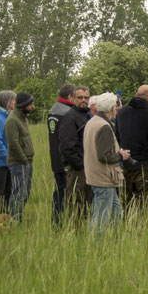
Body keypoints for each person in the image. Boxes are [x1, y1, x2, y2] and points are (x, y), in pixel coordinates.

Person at [84, 93, 129, 236]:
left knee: (117, 213)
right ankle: (96, 247)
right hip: (104, 178)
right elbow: (105, 156)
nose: (117, 108)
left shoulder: (93, 122)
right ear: (111, 108)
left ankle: (115, 242)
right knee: (101, 218)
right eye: (116, 106)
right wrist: (121, 155)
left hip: (97, 176)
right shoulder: (104, 126)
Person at [115, 85, 148, 209]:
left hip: (126, 161)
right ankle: (140, 226)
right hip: (146, 164)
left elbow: (117, 135)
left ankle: (125, 225)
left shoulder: (121, 112)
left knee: (126, 200)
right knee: (143, 201)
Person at [59, 86, 92, 220]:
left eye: (86, 97)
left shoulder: (87, 115)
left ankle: (85, 234)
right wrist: (79, 165)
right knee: (76, 203)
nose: (83, 100)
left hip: (88, 168)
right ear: (72, 99)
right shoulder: (70, 117)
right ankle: (75, 234)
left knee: (87, 203)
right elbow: (67, 146)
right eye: (80, 97)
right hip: (77, 169)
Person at [4, 92, 35, 223]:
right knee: (18, 194)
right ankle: (15, 222)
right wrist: (23, 160)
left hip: (26, 162)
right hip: (18, 163)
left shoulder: (23, 117)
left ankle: (16, 218)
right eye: (31, 104)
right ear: (23, 105)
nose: (33, 106)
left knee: (25, 193)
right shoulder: (12, 120)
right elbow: (13, 143)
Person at [47, 83, 75, 226]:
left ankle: (56, 220)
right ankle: (60, 222)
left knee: (59, 190)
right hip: (65, 159)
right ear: (70, 96)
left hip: (55, 158)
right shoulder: (67, 113)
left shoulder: (53, 110)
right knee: (65, 191)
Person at [0, 90, 16, 214]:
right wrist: (8, 156)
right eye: (13, 100)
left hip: (7, 163)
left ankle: (4, 219)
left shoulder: (8, 117)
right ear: (7, 101)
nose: (15, 102)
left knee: (8, 193)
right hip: (0, 163)